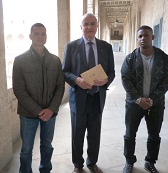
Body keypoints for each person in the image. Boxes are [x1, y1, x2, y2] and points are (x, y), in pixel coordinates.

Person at [62, 13, 115, 173]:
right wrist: (77, 80)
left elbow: (111, 72)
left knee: (94, 133)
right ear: (81, 27)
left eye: (93, 24)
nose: (89, 27)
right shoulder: (71, 47)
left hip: (97, 97)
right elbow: (65, 71)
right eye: (86, 24)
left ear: (97, 26)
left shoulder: (106, 47)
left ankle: (92, 162)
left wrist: (106, 81)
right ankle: (78, 164)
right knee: (77, 133)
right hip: (78, 97)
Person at [121, 25, 168, 173]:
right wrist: (138, 99)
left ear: (153, 37)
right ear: (137, 39)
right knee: (130, 134)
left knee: (154, 135)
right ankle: (129, 161)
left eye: (146, 35)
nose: (143, 38)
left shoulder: (163, 58)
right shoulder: (130, 58)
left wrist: (152, 99)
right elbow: (126, 79)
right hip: (133, 104)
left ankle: (150, 162)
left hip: (155, 104)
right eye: (140, 36)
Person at [12, 23, 65, 173]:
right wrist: (37, 111)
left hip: (50, 113)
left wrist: (51, 109)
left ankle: (45, 170)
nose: (40, 37)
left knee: (47, 145)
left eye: (43, 34)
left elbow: (60, 86)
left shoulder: (55, 60)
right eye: (36, 34)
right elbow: (19, 90)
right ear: (30, 36)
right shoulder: (20, 60)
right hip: (28, 114)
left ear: (46, 37)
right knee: (26, 149)